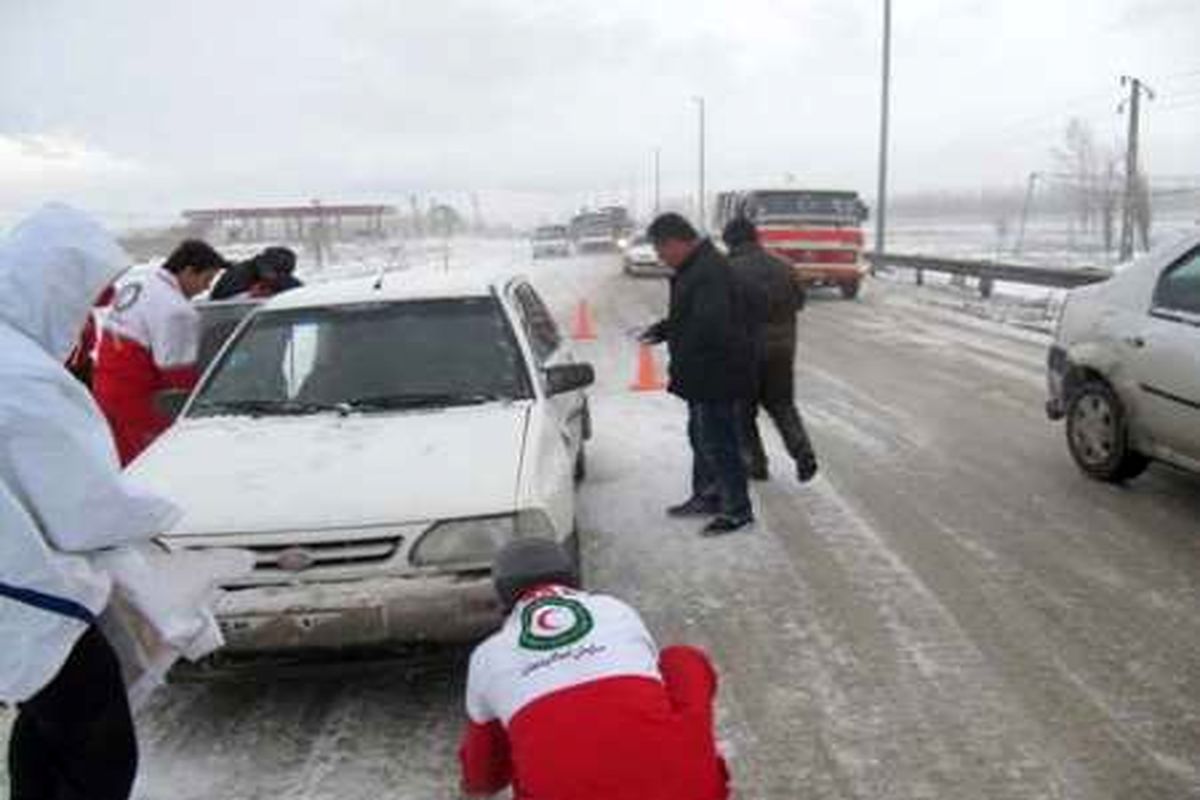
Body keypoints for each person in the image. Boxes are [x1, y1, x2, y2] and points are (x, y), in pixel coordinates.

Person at [0, 204, 184, 800]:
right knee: (93, 735)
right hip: (18, 584)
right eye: (81, 299)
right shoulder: (22, 375)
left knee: (48, 709)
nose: (83, 316)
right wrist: (161, 521)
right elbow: (83, 507)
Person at [459, 538, 729, 800]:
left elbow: (483, 779)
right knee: (681, 659)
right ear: (571, 577)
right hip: (687, 793)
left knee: (524, 753)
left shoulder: (486, 656)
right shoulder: (614, 609)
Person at [640, 213, 756, 535]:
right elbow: (690, 317)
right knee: (702, 438)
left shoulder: (709, 272)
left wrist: (682, 345)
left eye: (662, 251)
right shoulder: (695, 268)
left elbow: (712, 327)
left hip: (717, 374)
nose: (661, 258)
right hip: (703, 373)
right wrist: (663, 330)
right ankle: (708, 496)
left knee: (720, 443)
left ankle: (737, 510)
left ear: (677, 242)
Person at [92, 239, 227, 465]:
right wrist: (201, 407)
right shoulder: (177, 311)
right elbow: (178, 377)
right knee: (153, 467)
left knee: (121, 468)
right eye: (207, 279)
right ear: (188, 271)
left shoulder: (138, 285)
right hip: (141, 404)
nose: (206, 288)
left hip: (104, 392)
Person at [722, 217, 819, 483]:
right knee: (783, 404)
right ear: (756, 237)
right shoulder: (784, 266)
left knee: (743, 410)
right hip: (782, 349)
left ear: (729, 241)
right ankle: (803, 452)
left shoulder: (727, 270)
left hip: (744, 352)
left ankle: (756, 463)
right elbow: (799, 302)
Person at [209, 245, 301, 301]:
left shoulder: (280, 278)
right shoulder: (239, 274)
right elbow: (219, 303)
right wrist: (250, 295)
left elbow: (297, 290)